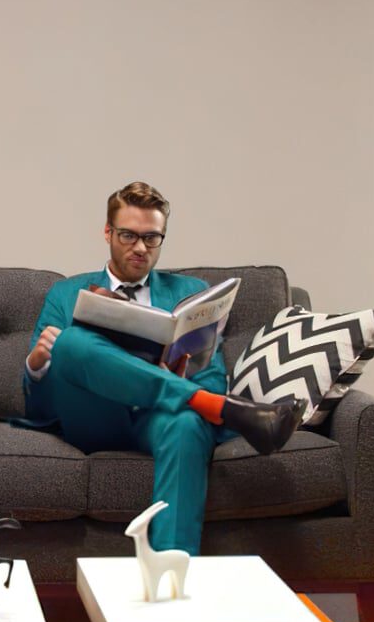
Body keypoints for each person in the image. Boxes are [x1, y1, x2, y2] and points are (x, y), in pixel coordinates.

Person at [23, 182, 301, 555]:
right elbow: (38, 399)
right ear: (107, 233)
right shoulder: (66, 293)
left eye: (151, 238)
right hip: (93, 416)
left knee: (188, 423)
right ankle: (228, 410)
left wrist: (180, 377)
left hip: (157, 416)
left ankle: (172, 572)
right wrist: (37, 363)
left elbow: (212, 374)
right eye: (128, 235)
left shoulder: (190, 291)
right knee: (71, 343)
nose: (140, 247)